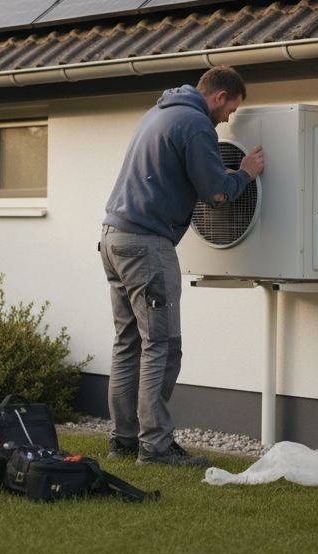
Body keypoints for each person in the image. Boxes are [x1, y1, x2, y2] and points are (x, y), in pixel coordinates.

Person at [99, 65, 264, 466]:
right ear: (219, 97)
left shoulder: (159, 112)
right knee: (162, 346)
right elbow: (216, 194)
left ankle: (123, 440)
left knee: (128, 344)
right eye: (231, 111)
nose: (227, 121)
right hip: (146, 246)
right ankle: (154, 447)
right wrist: (245, 173)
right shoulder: (194, 123)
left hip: (112, 236)